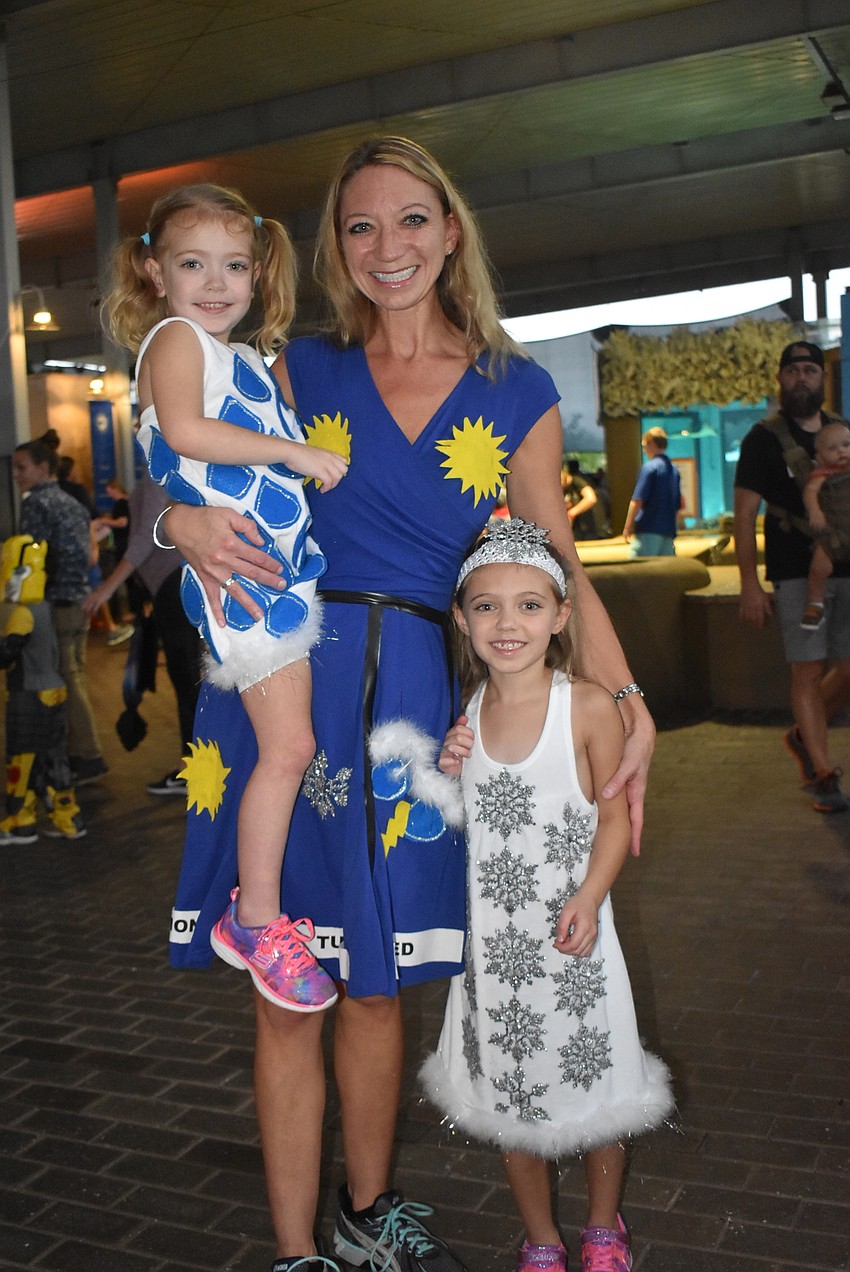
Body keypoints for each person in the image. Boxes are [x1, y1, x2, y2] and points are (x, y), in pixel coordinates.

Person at [161, 137, 655, 1272]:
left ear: (452, 231)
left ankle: (368, 1210)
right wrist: (169, 526)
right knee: (287, 986)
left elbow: (557, 560)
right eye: (360, 226)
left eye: (411, 221)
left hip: (415, 703)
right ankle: (296, 1249)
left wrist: (624, 700)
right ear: (335, 247)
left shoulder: (512, 388)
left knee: (375, 981)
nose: (389, 249)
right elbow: (191, 456)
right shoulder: (296, 368)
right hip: (285, 681)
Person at [106, 182, 348, 1014]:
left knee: (291, 747)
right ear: (154, 271)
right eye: (193, 263)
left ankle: (259, 911)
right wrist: (296, 452)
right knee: (287, 751)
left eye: (234, 265)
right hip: (243, 576)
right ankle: (255, 918)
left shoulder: (236, 355)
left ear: (259, 270)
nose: (216, 282)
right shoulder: (177, 339)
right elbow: (184, 435)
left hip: (270, 571)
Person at [422, 519, 672, 1272]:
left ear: (562, 615)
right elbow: (460, 823)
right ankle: (540, 1237)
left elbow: (612, 813)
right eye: (488, 607)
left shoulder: (588, 706)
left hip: (576, 941)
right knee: (511, 1097)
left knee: (597, 1089)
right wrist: (446, 766)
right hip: (494, 958)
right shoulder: (465, 712)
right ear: (462, 619)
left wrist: (591, 895)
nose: (509, 624)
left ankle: (602, 1227)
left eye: (530, 606)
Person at [734, 339, 850, 814]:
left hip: (846, 566)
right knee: (808, 668)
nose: (802, 377)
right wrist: (749, 583)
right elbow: (744, 515)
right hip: (793, 570)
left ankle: (804, 735)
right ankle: (823, 771)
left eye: (811, 369)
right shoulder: (763, 439)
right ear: (781, 379)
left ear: (822, 378)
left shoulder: (841, 433)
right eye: (794, 370)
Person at [82, 471, 204, 798]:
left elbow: (149, 535)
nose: (139, 426)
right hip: (174, 582)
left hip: (173, 584)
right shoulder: (173, 467)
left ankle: (193, 769)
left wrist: (106, 589)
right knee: (189, 677)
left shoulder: (159, 471)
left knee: (187, 677)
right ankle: (195, 765)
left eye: (143, 418)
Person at [11, 440, 107, 787]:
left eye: (22, 467)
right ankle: (80, 753)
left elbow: (30, 560)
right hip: (79, 600)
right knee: (75, 675)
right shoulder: (71, 501)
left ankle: (85, 755)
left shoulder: (35, 503)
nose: (16, 474)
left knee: (65, 679)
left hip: (55, 603)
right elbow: (87, 553)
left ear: (42, 468)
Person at [0, 534, 87, 844]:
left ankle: (19, 822)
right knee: (54, 759)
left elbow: (6, 654)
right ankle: (68, 818)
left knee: (21, 760)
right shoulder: (43, 607)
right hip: (53, 691)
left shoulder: (23, 612)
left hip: (29, 694)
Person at [800, 420, 850, 630]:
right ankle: (815, 603)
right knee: (820, 566)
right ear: (820, 457)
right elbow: (810, 492)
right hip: (833, 533)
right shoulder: (823, 474)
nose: (841, 451)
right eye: (832, 448)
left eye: (846, 445)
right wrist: (815, 511)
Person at [621, 427, 682, 556]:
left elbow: (637, 501)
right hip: (668, 531)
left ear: (652, 444)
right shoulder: (674, 471)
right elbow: (677, 505)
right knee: (665, 572)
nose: (644, 450)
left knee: (639, 571)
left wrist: (628, 527)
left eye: (644, 446)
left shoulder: (649, 468)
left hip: (648, 529)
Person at [561, 459, 598, 540]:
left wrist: (572, 513)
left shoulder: (577, 481)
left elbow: (591, 498)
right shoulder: (564, 489)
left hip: (586, 529)